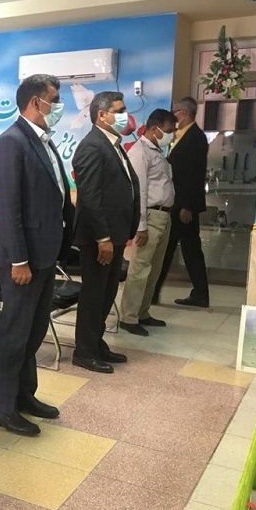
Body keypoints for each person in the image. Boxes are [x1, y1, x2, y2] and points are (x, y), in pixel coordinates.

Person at [0, 74, 74, 435]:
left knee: (34, 330)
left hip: (44, 253)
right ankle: (2, 407)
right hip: (21, 258)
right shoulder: (11, 142)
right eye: (55, 99)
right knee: (15, 332)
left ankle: (24, 395)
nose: (59, 106)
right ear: (36, 102)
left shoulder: (43, 140)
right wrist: (18, 259)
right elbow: (7, 208)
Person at [71, 91, 140, 374]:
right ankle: (84, 352)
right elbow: (90, 197)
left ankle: (96, 343)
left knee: (107, 292)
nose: (125, 116)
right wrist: (103, 238)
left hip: (116, 234)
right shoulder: (92, 146)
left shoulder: (113, 144)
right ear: (102, 115)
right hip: (100, 238)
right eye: (119, 111)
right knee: (94, 294)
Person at [119, 109, 177, 336]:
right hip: (150, 217)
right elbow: (139, 191)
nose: (172, 135)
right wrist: (140, 226)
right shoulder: (140, 152)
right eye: (169, 130)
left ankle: (143, 312)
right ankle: (129, 317)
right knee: (140, 269)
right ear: (155, 129)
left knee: (154, 269)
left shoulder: (157, 151)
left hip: (163, 216)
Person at [154, 96, 210, 308]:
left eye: (174, 111)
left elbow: (194, 175)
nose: (172, 116)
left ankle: (199, 294)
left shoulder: (195, 137)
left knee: (185, 249)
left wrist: (188, 206)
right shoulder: (180, 136)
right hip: (175, 202)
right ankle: (156, 292)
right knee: (175, 248)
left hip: (183, 205)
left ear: (183, 113)